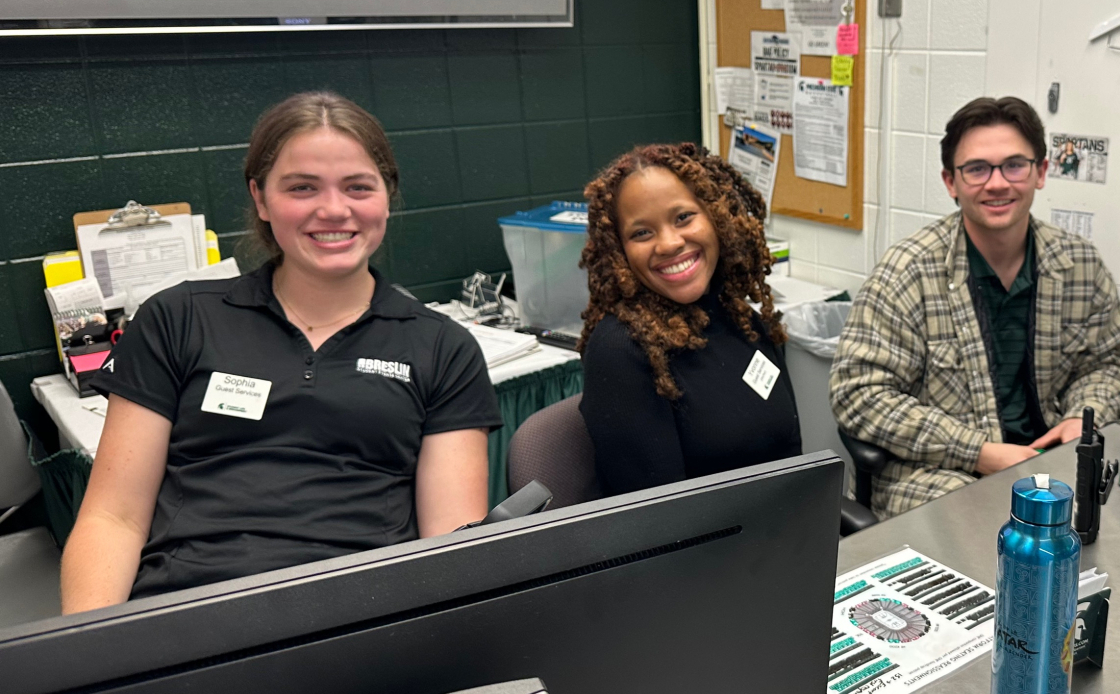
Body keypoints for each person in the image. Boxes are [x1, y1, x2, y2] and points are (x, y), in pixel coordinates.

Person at [60, 92, 502, 613]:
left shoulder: (443, 349)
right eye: (302, 187)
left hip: (365, 620)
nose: (334, 209)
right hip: (189, 610)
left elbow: (447, 553)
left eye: (358, 187)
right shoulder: (176, 320)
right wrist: (94, 654)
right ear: (262, 199)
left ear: (386, 197)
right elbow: (113, 519)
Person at [830, 96, 1120, 520]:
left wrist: (1084, 420)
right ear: (951, 182)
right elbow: (858, 395)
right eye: (976, 169)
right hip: (936, 472)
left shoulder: (1079, 263)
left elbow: (1107, 365)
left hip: (1049, 465)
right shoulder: (908, 271)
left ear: (1040, 172)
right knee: (994, 531)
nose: (996, 183)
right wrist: (978, 452)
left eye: (1014, 165)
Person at [577, 143, 800, 495]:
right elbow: (659, 524)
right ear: (619, 249)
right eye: (641, 233)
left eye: (683, 217)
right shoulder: (622, 351)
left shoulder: (742, 321)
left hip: (787, 533)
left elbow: (790, 459)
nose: (668, 244)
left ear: (717, 217)